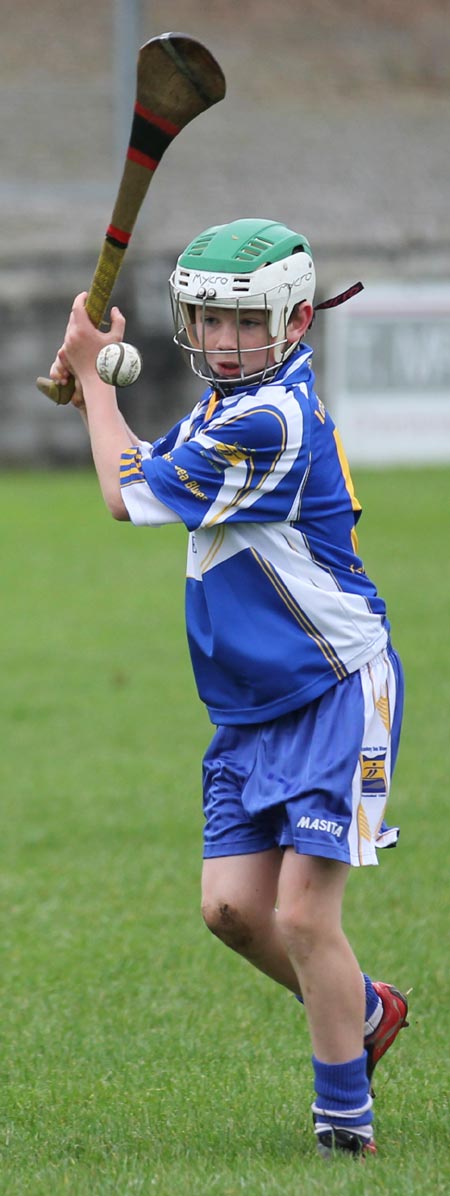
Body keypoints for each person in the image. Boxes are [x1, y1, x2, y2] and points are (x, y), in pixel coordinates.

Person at [50, 218, 409, 1159]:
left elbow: (127, 494)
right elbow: (143, 462)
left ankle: (346, 1129)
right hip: (252, 707)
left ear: (294, 324)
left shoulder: (270, 419)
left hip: (333, 690)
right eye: (205, 319)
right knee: (233, 911)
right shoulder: (226, 408)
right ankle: (365, 1010)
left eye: (238, 322)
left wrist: (89, 374)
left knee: (300, 913)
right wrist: (97, 382)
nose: (217, 338)